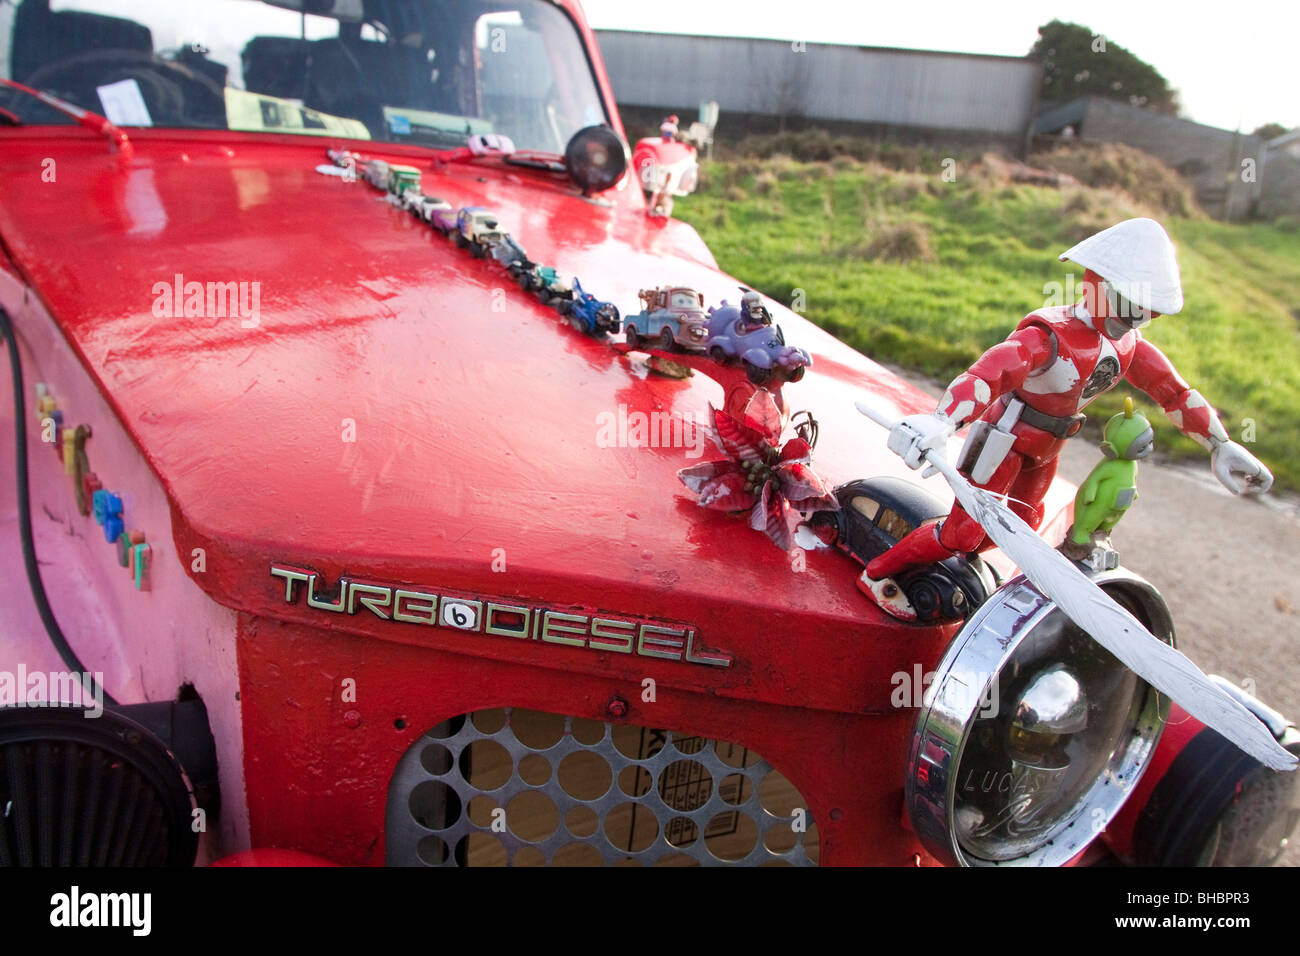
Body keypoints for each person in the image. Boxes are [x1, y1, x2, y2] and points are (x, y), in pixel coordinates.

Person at [860, 217, 1273, 621]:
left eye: (1147, 313)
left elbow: (1174, 393)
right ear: (1099, 285)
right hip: (1004, 437)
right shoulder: (1049, 336)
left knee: (1025, 525)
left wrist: (1220, 444)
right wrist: (942, 420)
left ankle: (954, 567)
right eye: (1132, 306)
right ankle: (878, 572)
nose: (1136, 319)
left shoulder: (1127, 345)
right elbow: (990, 374)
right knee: (962, 532)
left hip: (1049, 445)